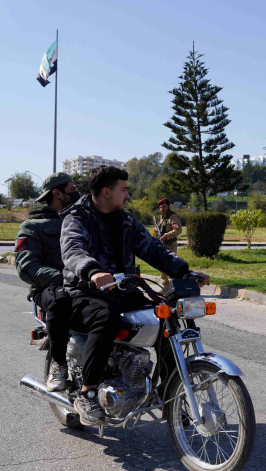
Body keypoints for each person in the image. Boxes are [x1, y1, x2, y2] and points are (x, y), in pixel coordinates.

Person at [60, 166, 209, 426]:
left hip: (122, 290)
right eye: (124, 189)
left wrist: (184, 271)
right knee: (106, 319)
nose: (128, 194)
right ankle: (88, 393)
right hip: (85, 291)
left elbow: (153, 249)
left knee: (165, 317)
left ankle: (169, 392)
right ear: (106, 192)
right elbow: (73, 249)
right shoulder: (77, 217)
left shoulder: (126, 221)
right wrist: (93, 271)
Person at [14, 172, 79, 392]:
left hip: (83, 284)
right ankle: (58, 365)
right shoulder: (32, 226)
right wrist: (61, 278)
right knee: (61, 299)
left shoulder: (79, 220)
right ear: (57, 193)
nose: (76, 193)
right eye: (71, 189)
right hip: (49, 288)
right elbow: (26, 266)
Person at [153, 198, 183, 288]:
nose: (162, 208)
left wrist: (166, 235)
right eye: (161, 207)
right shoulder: (162, 217)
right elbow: (161, 229)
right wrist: (156, 230)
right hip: (162, 244)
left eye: (164, 206)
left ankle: (173, 287)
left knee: (170, 266)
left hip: (170, 244)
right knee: (162, 265)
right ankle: (164, 287)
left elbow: (178, 230)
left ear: (168, 206)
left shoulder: (172, 217)